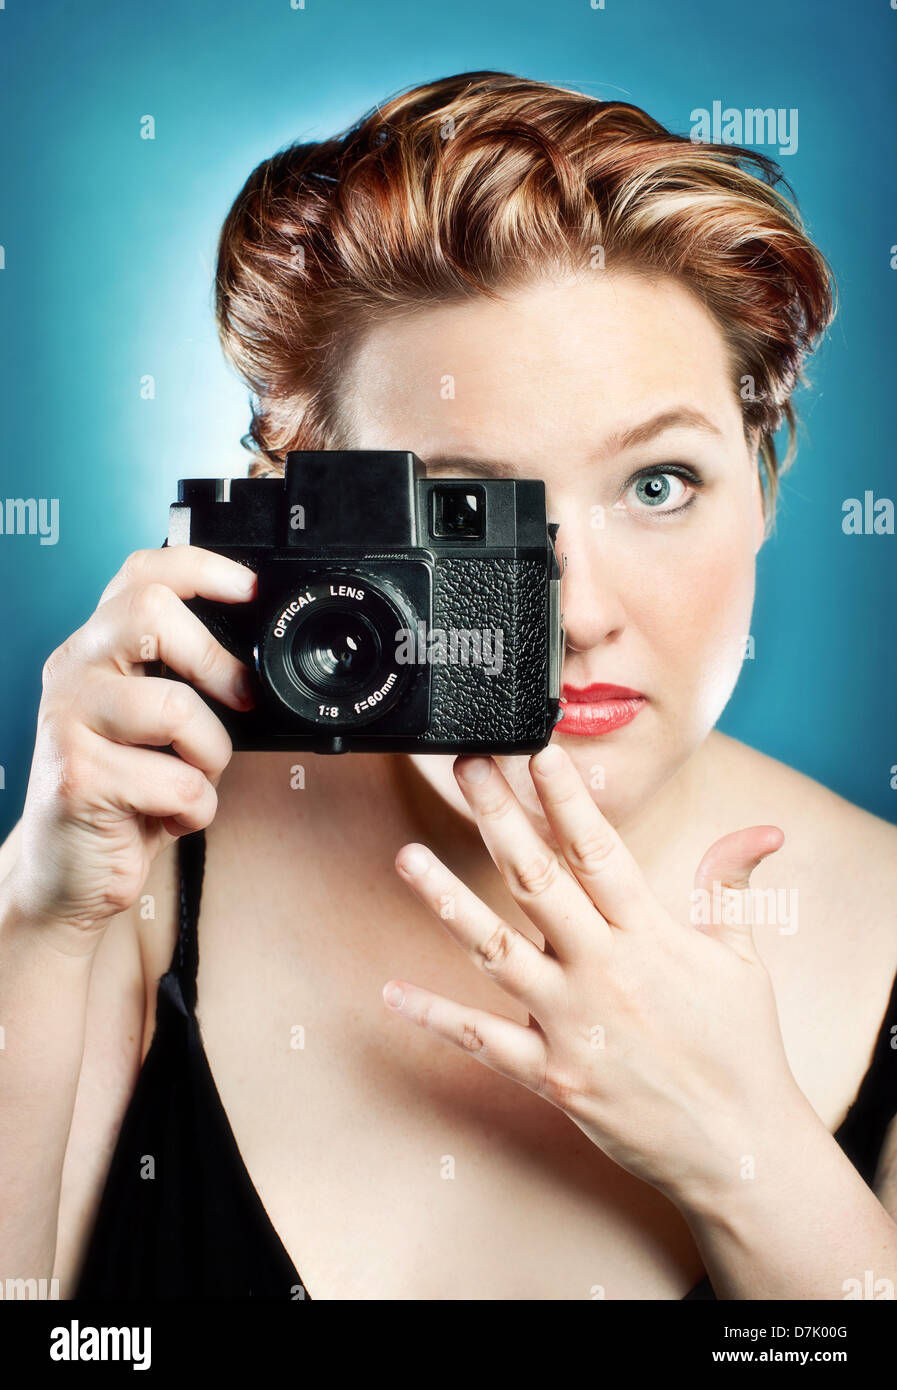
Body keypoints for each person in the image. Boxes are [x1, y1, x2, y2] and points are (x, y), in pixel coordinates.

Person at [1, 71, 895, 1302]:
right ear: (309, 515)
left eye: (658, 484)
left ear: (765, 488)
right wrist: (38, 918)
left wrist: (750, 1157)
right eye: (463, 512)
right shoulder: (144, 872)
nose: (577, 613)